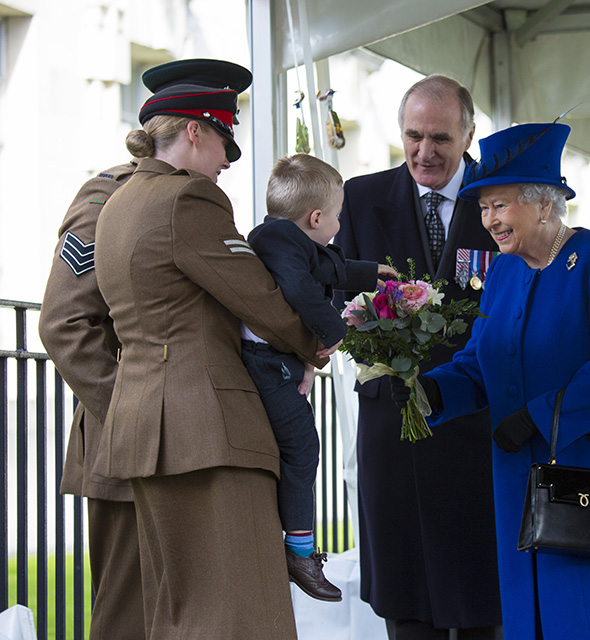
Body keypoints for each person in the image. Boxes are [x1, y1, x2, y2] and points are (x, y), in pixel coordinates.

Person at [394, 121, 590, 639]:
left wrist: (537, 417)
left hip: (589, 469)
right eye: (483, 208)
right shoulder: (502, 273)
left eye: (500, 206)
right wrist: (431, 392)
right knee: (534, 618)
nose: (489, 220)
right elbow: (480, 362)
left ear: (544, 204)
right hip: (517, 477)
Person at [91, 58, 329, 638]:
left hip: (148, 431)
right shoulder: (189, 200)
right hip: (208, 431)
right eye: (224, 139)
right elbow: (257, 295)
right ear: (194, 130)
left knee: (183, 612)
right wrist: (314, 345)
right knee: (243, 614)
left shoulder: (119, 200)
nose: (227, 159)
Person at [333, 74, 502, 640]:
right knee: (406, 595)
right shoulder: (359, 198)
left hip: (478, 423)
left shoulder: (501, 198)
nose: (424, 152)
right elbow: (334, 293)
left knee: (481, 592)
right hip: (393, 423)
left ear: (469, 135)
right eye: (413, 136)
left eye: (440, 139)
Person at [240, 153, 396, 601]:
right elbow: (302, 289)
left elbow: (331, 268)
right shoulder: (279, 244)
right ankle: (300, 551)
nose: (340, 225)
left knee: (299, 447)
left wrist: (374, 273)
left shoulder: (288, 238)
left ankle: (296, 544)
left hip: (281, 362)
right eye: (337, 216)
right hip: (268, 364)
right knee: (303, 446)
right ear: (315, 217)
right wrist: (332, 336)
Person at [39, 159, 146, 639]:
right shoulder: (109, 198)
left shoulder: (182, 197)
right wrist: (135, 413)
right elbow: (65, 325)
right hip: (126, 441)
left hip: (181, 436)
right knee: (128, 614)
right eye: (218, 135)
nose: (228, 158)